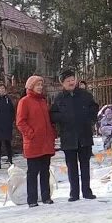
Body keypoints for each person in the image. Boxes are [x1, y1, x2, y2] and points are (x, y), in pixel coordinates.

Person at [49, 69, 100, 202]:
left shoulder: (85, 95)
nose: (71, 82)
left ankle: (87, 191)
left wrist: (89, 118)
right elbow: (53, 115)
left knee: (85, 165)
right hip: (68, 137)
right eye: (68, 81)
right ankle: (74, 193)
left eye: (73, 79)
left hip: (84, 135)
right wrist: (63, 117)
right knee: (71, 167)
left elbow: (94, 108)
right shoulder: (59, 98)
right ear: (63, 83)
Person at [16, 75, 56, 207]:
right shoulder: (24, 101)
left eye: (41, 85)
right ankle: (32, 199)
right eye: (37, 85)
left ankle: (46, 197)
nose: (40, 87)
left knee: (45, 170)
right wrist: (30, 134)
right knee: (32, 172)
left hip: (45, 142)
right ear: (31, 86)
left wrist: (51, 133)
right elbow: (20, 122)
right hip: (33, 142)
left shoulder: (43, 101)